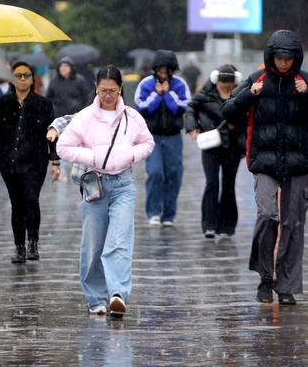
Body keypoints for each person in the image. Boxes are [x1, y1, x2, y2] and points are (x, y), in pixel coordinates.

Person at [55, 65, 154, 317]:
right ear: (95, 90)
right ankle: (95, 297)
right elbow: (64, 147)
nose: (107, 95)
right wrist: (94, 156)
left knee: (119, 241)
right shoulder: (85, 117)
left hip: (123, 185)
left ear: (120, 89)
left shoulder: (132, 117)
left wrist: (130, 154)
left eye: (112, 90)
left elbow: (147, 143)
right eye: (102, 91)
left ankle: (118, 294)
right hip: (94, 186)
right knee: (93, 245)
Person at [223, 30, 308, 305]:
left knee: (293, 223)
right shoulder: (256, 80)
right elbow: (228, 111)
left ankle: (287, 286)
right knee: (267, 215)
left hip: (299, 164)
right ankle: (265, 277)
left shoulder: (304, 82)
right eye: (279, 58)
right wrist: (250, 94)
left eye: (288, 59)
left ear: (296, 59)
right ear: (270, 57)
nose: (283, 64)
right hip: (264, 163)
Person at [0, 61, 59, 263]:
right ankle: (19, 246)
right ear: (12, 78)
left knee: (31, 199)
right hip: (9, 161)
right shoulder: (3, 103)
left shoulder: (44, 104)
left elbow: (52, 133)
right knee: (16, 204)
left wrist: (55, 162)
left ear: (32, 78)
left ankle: (33, 242)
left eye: (26, 75)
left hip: (35, 161)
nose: (22, 79)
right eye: (18, 75)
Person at [185, 65, 246, 238]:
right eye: (222, 86)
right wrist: (192, 127)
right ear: (215, 82)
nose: (226, 89)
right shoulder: (204, 96)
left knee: (229, 185)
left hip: (232, 145)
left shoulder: (241, 96)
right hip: (211, 145)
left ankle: (227, 226)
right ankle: (209, 225)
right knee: (212, 183)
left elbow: (249, 116)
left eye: (229, 87)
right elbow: (190, 109)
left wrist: (238, 126)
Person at [134, 49, 191, 227]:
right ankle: (153, 212)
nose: (163, 73)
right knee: (156, 172)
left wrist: (168, 94)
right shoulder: (145, 84)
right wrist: (157, 95)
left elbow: (181, 108)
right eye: (160, 69)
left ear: (173, 70)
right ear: (155, 69)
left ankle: (169, 215)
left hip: (174, 136)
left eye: (167, 70)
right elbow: (143, 108)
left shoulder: (180, 84)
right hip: (152, 136)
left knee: (174, 174)